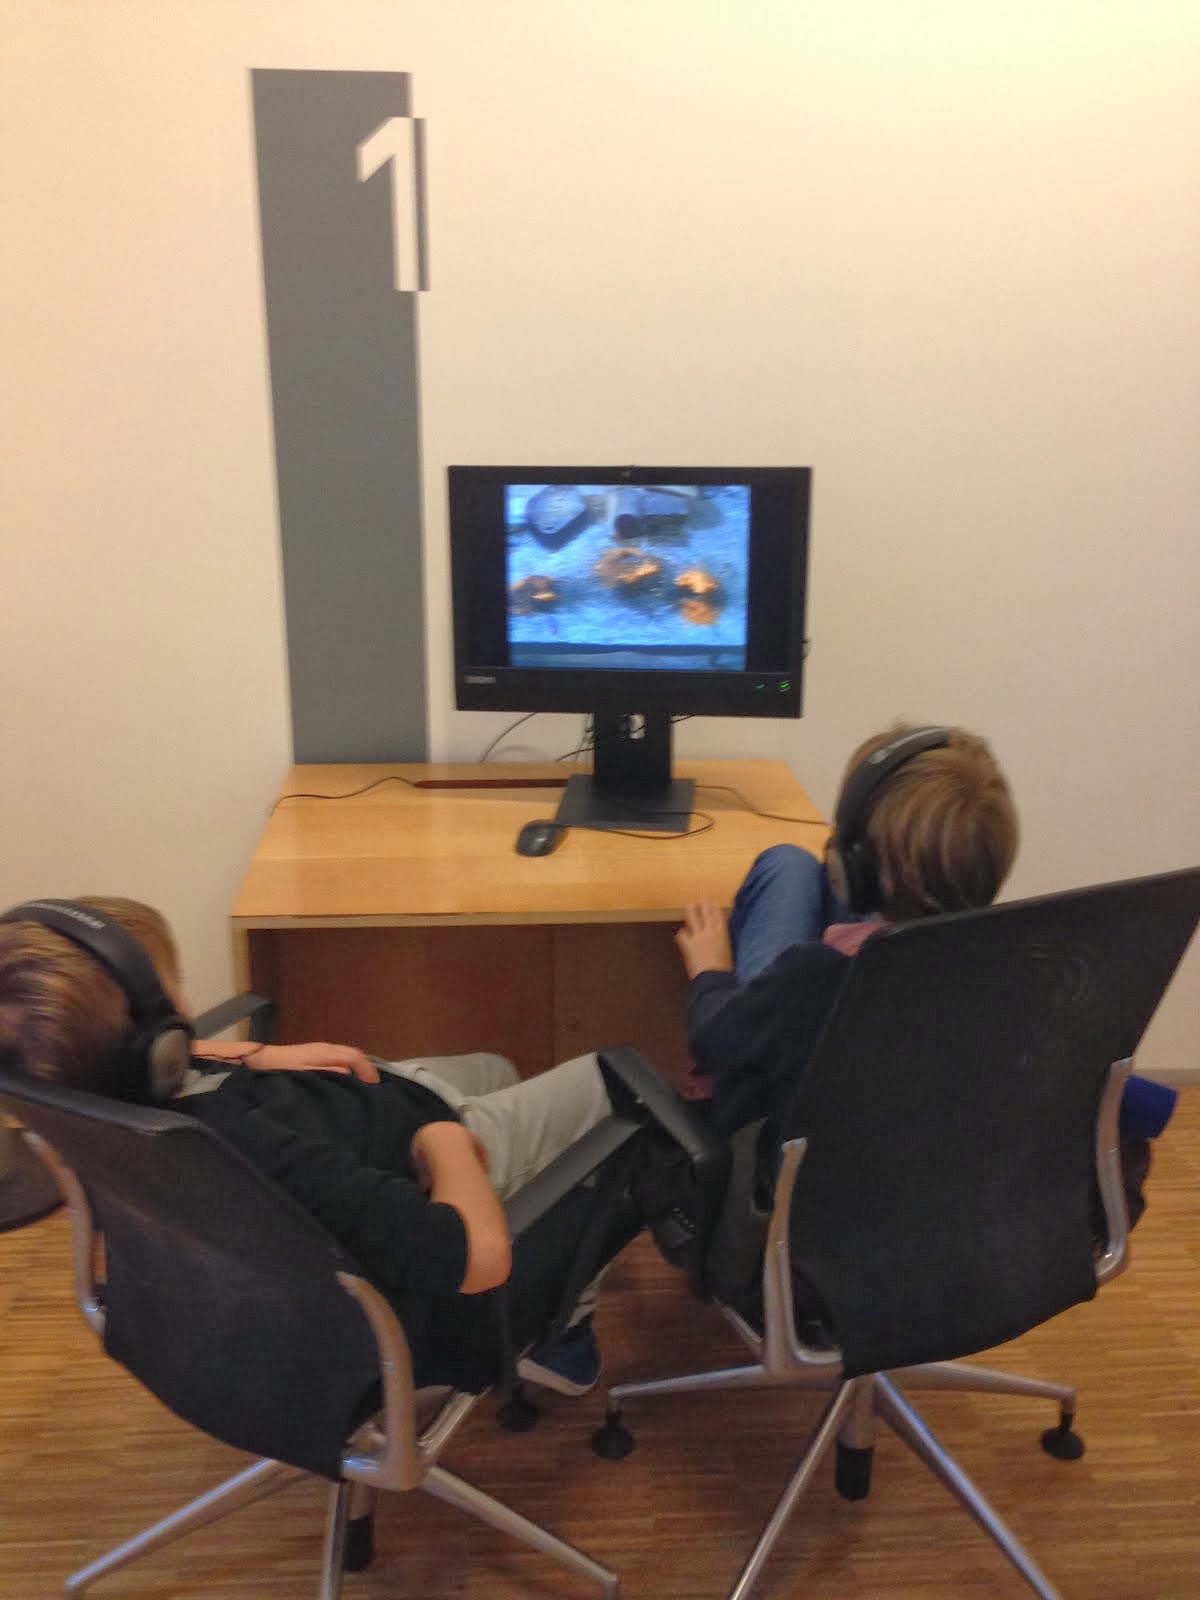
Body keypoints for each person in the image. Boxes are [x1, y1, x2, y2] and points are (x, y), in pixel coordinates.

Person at [0, 895, 614, 1395]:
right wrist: (447, 1140)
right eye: (173, 996)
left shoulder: (92, 1113)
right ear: (153, 1049)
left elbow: (190, 1063)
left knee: (495, 1065)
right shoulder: (251, 1152)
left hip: (368, 1123)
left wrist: (263, 1055)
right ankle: (559, 1329)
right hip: (427, 1163)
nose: (185, 1014)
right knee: (615, 1082)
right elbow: (471, 1258)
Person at [673, 723, 1172, 1298]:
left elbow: (714, 1041)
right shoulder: (1039, 975)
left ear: (855, 867)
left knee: (786, 865)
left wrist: (710, 968)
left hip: (813, 1254)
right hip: (969, 1248)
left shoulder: (814, 981)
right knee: (790, 865)